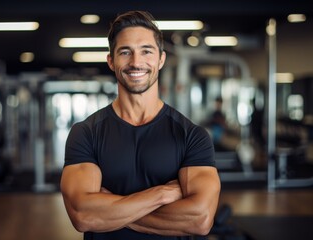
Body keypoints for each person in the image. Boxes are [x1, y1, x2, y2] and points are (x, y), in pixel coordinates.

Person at [60, 10, 221, 240]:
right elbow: (83, 215)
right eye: (125, 52)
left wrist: (111, 210)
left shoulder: (192, 136)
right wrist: (163, 194)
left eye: (146, 51)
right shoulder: (86, 133)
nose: (136, 62)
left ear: (161, 59)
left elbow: (200, 219)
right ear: (111, 61)